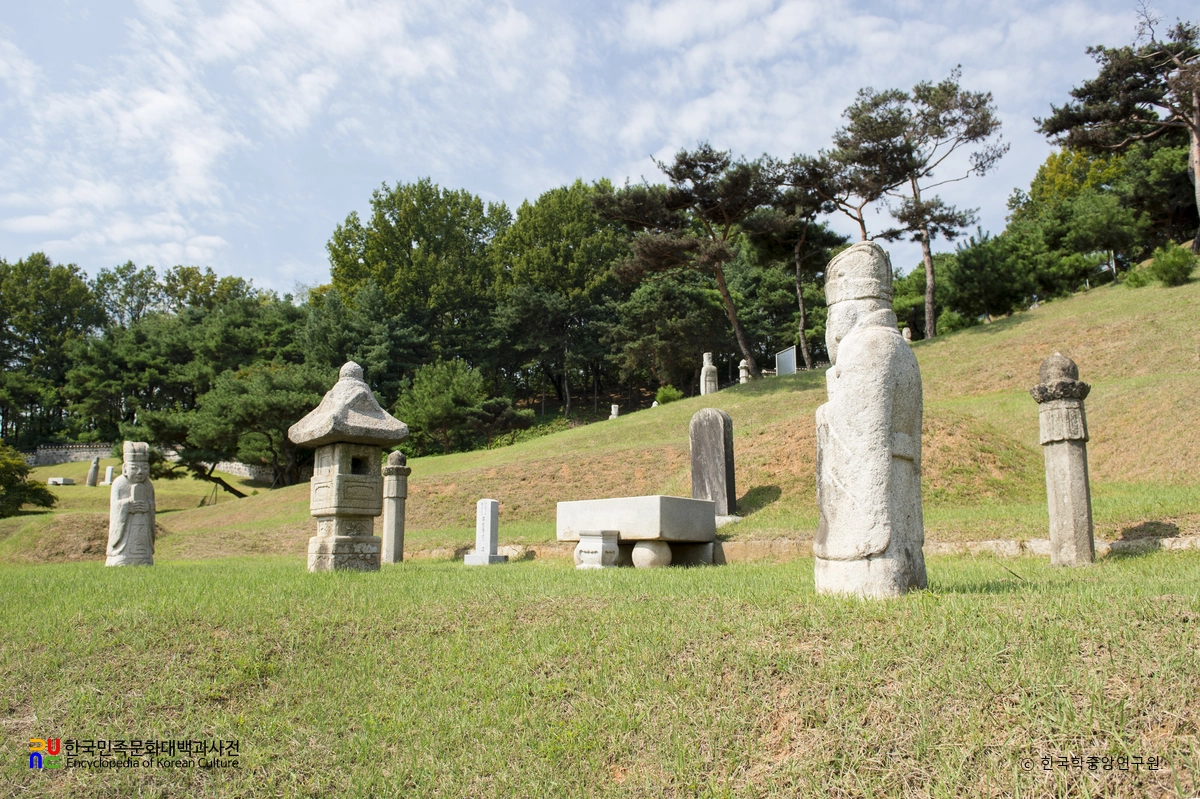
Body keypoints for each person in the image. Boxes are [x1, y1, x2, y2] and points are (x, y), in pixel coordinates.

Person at [814, 242, 926, 597]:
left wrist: (825, 411)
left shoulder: (866, 348)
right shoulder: (900, 348)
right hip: (901, 493)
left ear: (849, 310)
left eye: (831, 315)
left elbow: (861, 436)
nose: (829, 329)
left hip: (871, 528)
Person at [106, 441, 156, 566]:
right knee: (121, 562)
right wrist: (127, 505)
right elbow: (115, 508)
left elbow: (152, 505)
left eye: (144, 468)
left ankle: (144, 556)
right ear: (125, 468)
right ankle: (121, 556)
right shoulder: (119, 484)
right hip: (124, 536)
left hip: (142, 530)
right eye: (134, 468)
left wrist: (148, 506)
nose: (140, 472)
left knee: (145, 562)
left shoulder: (148, 485)